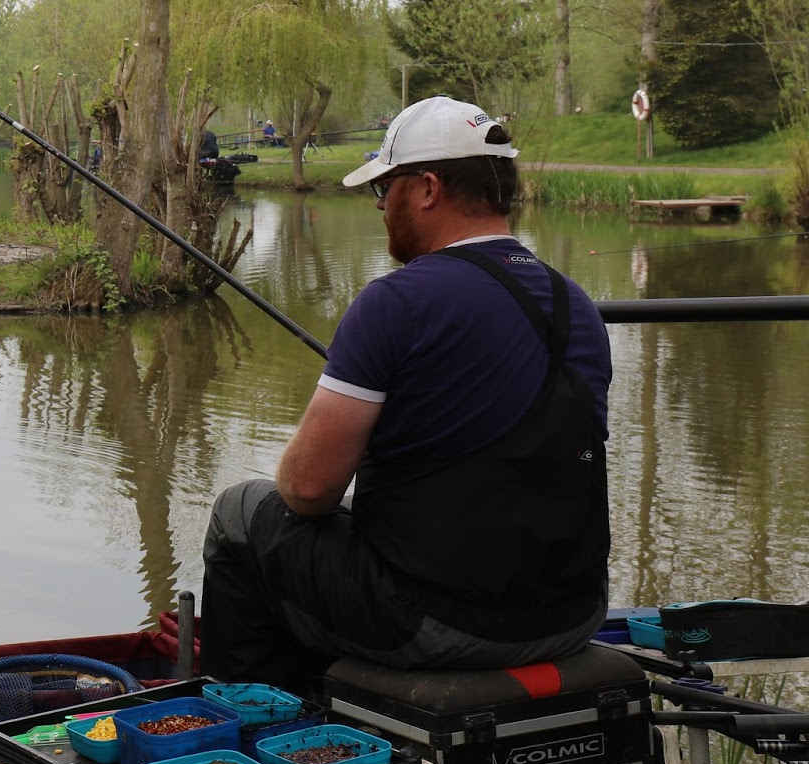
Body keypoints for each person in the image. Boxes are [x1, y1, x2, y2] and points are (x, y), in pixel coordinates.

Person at [200, 95, 612, 690]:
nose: (380, 207)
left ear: (426, 188)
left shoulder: (397, 303)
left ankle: (261, 736)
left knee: (241, 512)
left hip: (433, 623)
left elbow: (308, 490)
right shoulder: (578, 307)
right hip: (573, 615)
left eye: (383, 189)